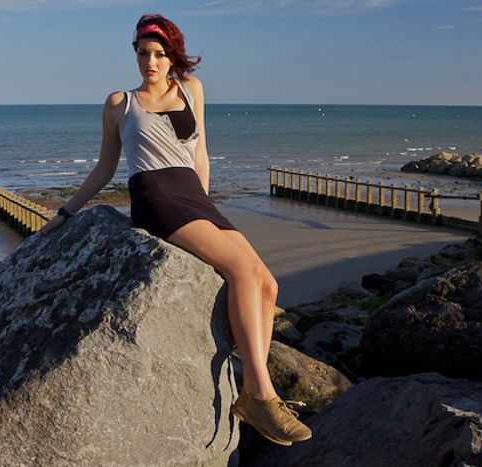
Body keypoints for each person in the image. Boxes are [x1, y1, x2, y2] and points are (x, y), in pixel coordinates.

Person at [38, 13, 312, 446]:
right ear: (135, 55)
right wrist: (63, 214)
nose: (150, 62)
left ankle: (257, 395)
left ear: (173, 57)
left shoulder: (192, 90)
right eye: (143, 54)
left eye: (159, 54)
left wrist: (205, 205)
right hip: (155, 195)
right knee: (241, 272)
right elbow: (104, 169)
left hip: (193, 195)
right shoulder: (119, 103)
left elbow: (201, 152)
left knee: (267, 284)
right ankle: (261, 393)